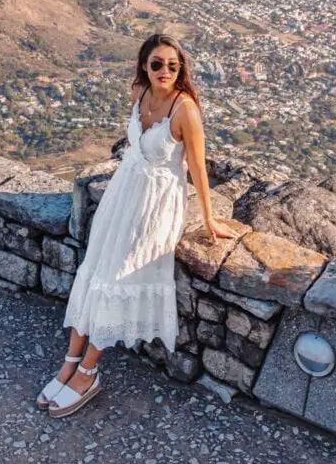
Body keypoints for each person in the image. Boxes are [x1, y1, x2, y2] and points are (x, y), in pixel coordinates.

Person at [37, 32, 235, 418]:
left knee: (117, 278)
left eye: (173, 66)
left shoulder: (185, 111)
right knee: (93, 271)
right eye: (157, 63)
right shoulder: (138, 94)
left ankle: (88, 371)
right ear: (144, 65)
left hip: (155, 207)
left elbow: (197, 166)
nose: (165, 71)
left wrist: (209, 217)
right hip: (123, 194)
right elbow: (133, 148)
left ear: (181, 71)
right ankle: (70, 361)